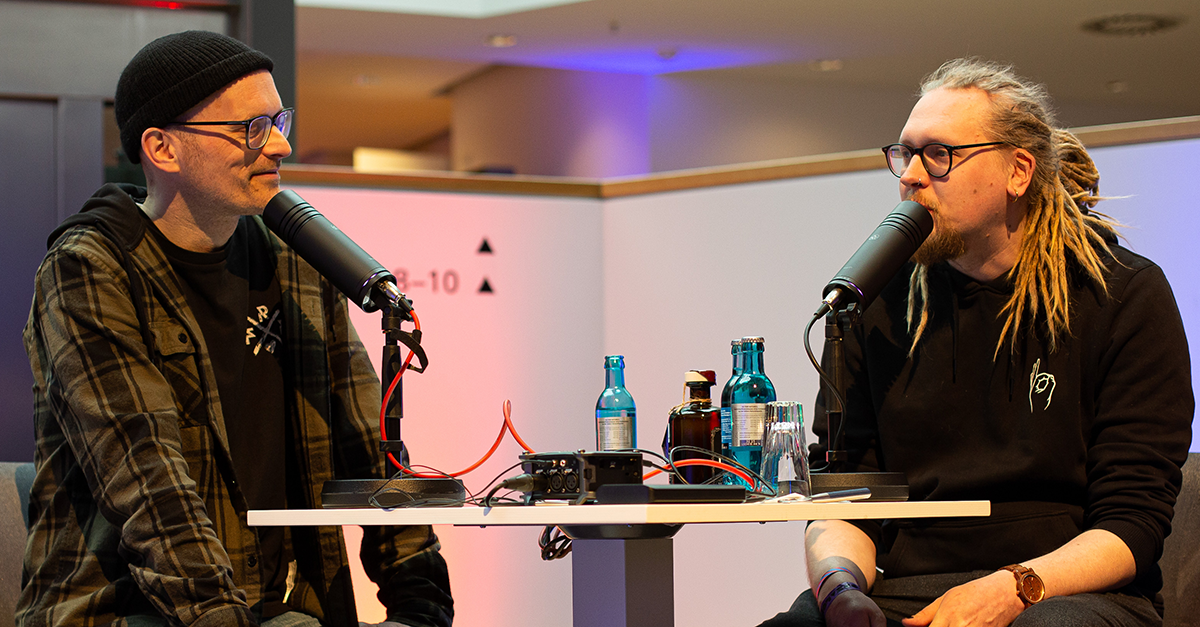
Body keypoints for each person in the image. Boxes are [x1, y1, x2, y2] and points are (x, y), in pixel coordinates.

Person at [19, 31, 453, 627]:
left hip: (285, 608)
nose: (280, 144)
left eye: (279, 120)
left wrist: (421, 607)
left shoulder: (295, 260)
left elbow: (368, 449)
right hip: (128, 610)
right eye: (251, 128)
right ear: (162, 148)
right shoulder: (89, 271)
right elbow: (150, 490)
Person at [761, 58, 1193, 627]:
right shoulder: (872, 305)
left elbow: (1132, 524)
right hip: (910, 588)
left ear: (1018, 171)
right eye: (903, 153)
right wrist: (840, 588)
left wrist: (1011, 589)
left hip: (1065, 591)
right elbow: (847, 506)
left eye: (938, 154)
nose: (911, 174)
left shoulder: (1121, 293)